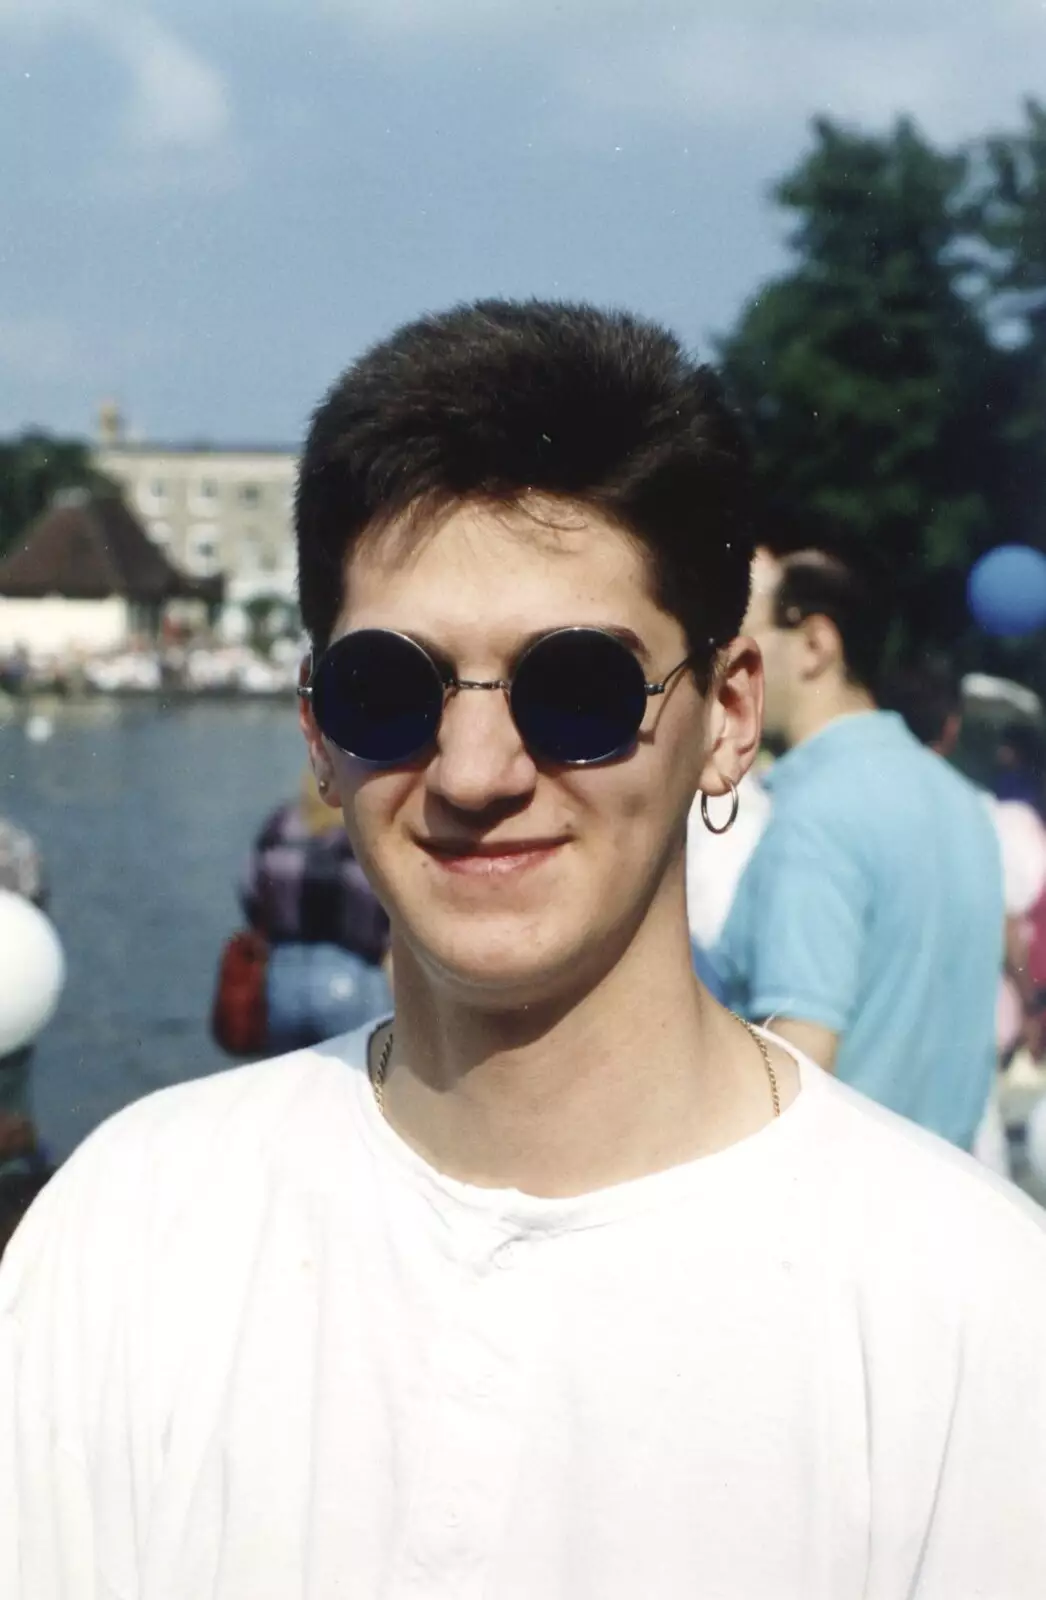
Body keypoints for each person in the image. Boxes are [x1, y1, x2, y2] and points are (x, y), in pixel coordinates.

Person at [2, 301, 1046, 1598]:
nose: (474, 771)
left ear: (726, 718)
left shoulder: (973, 1320)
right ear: (319, 733)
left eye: (579, 690)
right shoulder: (129, 1230)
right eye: (391, 688)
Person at [713, 545, 1005, 1154]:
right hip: (948, 1199)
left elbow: (797, 1057)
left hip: (833, 1216)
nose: (723, 668)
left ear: (816, 645)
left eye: (743, 640)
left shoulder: (817, 816)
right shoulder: (961, 802)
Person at [881, 659, 1046, 1174]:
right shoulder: (983, 816)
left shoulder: (863, 807)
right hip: (968, 1048)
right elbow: (1009, 925)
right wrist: (1030, 994)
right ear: (951, 727)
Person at [240, 766, 392, 1052]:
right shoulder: (361, 830)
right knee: (358, 1086)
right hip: (354, 977)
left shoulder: (279, 824)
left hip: (282, 981)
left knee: (291, 1088)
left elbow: (250, 891)